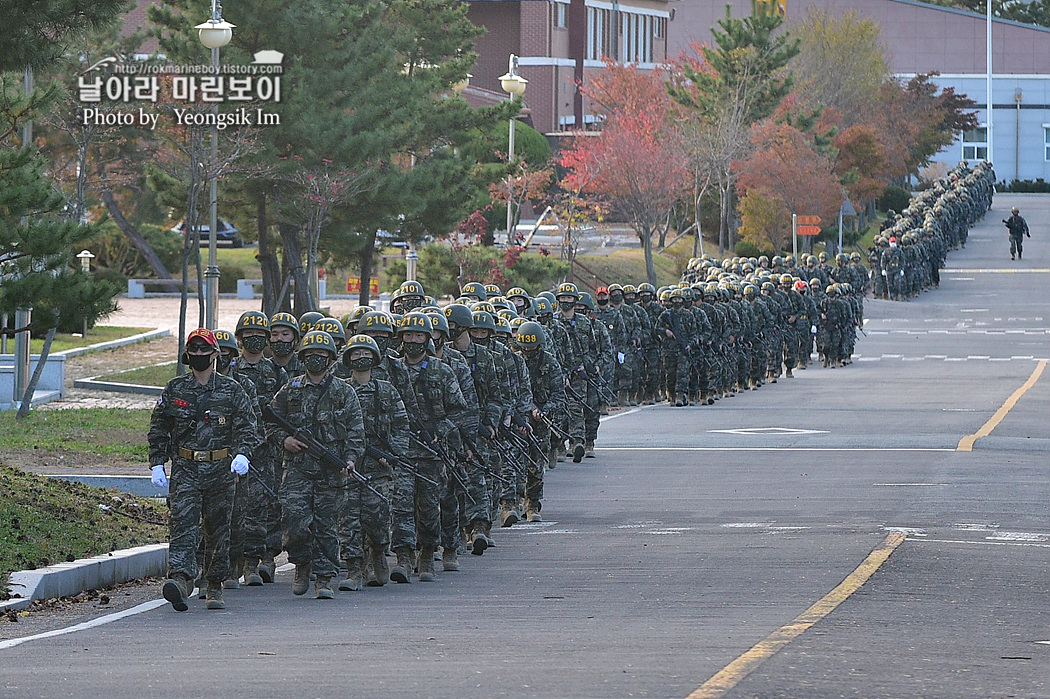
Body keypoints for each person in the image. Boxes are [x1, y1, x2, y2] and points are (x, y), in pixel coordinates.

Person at [148, 328, 258, 611]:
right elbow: (160, 426)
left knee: (218, 529)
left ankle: (214, 583)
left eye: (204, 350)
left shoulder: (232, 390)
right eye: (193, 350)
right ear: (187, 354)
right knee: (182, 524)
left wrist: (243, 453)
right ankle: (181, 579)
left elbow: (248, 425)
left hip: (221, 467)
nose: (198, 355)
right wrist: (157, 461)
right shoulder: (175, 389)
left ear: (215, 354)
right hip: (185, 467)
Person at [268, 330, 366, 599]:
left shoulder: (343, 392)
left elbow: (356, 431)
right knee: (294, 521)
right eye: (310, 355)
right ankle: (302, 564)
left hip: (330, 472)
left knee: (327, 527)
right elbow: (269, 422)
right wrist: (285, 439)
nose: (315, 359)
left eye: (321, 355)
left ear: (331, 359)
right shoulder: (291, 389)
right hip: (297, 469)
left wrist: (350, 459)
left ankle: (324, 579)